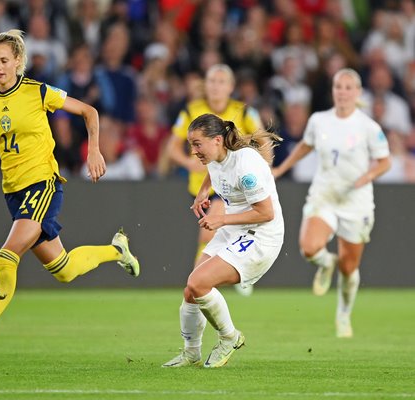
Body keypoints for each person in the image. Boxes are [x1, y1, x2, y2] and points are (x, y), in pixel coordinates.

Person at [0, 29, 140, 356]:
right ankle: (117, 251)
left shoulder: (38, 92)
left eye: (4, 60)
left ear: (18, 61)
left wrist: (93, 150)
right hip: (14, 192)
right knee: (63, 269)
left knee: (6, 255)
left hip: (43, 183)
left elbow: (89, 112)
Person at [272, 68, 391, 338]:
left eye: (349, 88)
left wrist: (367, 176)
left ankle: (344, 314)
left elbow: (385, 161)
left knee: (349, 268)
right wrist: (281, 169)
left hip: (355, 201)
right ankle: (326, 263)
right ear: (333, 90)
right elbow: (305, 145)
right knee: (309, 248)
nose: (343, 92)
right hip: (324, 194)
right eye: (339, 87)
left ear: (358, 93)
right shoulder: (319, 120)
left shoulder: (368, 127)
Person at [162, 113, 283, 368]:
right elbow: (214, 168)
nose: (193, 151)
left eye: (197, 144)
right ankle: (191, 352)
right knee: (191, 290)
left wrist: (221, 220)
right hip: (236, 229)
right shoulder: (217, 154)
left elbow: (266, 212)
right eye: (191, 144)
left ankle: (229, 337)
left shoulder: (246, 165)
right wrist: (204, 190)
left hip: (261, 235)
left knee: (198, 282)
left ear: (217, 140)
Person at [166, 64, 264, 296]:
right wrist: (186, 161)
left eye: (221, 82)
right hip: (201, 184)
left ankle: (200, 286)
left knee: (210, 230)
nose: (216, 87)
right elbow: (172, 147)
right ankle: (239, 271)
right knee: (221, 232)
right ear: (205, 86)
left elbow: (263, 139)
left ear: (230, 87)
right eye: (212, 81)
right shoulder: (191, 111)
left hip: (233, 183)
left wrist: (255, 161)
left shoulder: (244, 112)